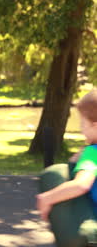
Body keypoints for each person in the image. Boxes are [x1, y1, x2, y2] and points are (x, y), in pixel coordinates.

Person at [37, 89, 97, 222]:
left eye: (82, 123)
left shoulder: (93, 153)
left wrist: (47, 198)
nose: (81, 129)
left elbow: (81, 185)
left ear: (95, 126)